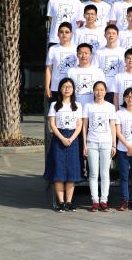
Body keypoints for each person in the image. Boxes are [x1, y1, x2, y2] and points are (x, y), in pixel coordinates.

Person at [47, 79, 82, 212]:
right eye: (64, 86)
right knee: (59, 170)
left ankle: (69, 202)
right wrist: (62, 138)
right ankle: (61, 202)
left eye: (69, 86)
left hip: (73, 139)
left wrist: (71, 138)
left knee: (72, 170)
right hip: (58, 139)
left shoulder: (78, 105)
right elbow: (52, 124)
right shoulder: (54, 105)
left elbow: (79, 125)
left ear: (73, 89)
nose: (67, 89)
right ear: (60, 89)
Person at [83, 81, 118, 212]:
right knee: (93, 173)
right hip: (92, 142)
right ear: (93, 91)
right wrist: (84, 144)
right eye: (97, 90)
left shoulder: (110, 107)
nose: (99, 92)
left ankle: (104, 200)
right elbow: (84, 126)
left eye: (102, 90)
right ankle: (95, 201)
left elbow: (113, 126)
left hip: (106, 143)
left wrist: (114, 145)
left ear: (105, 91)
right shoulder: (88, 106)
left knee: (105, 173)